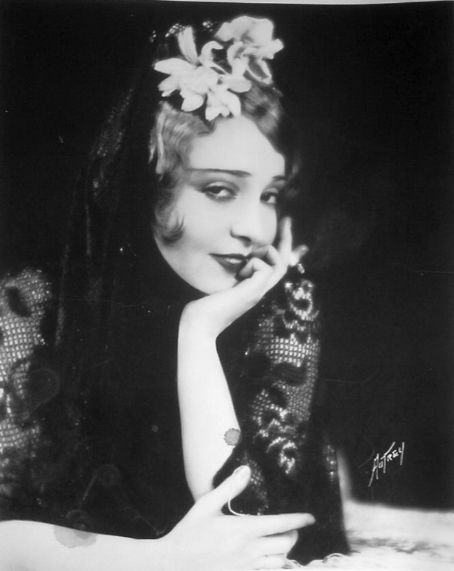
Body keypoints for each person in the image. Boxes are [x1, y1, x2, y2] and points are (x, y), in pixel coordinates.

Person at [0, 15, 349, 570]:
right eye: (220, 190)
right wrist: (162, 559)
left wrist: (199, 333)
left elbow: (253, 526)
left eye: (270, 195)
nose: (255, 229)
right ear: (147, 190)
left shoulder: (281, 302)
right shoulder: (31, 308)